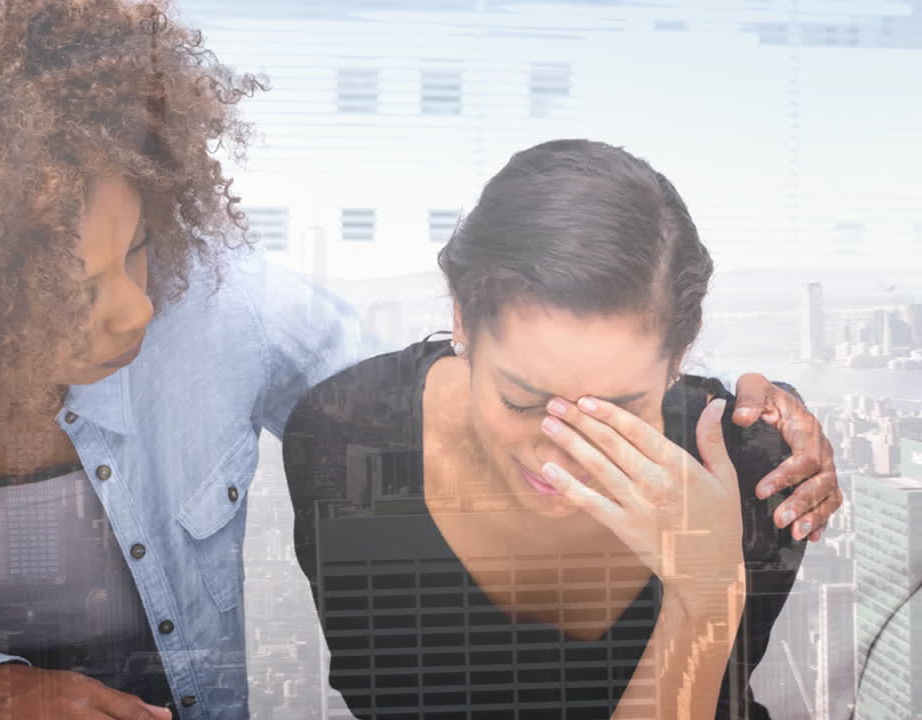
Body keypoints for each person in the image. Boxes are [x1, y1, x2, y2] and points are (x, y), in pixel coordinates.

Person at [0, 0, 839, 717]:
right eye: (78, 292)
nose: (136, 312)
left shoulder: (212, 307)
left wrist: (734, 418)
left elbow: (464, 375)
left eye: (136, 252)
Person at [282, 139, 826, 719]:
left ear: (679, 358)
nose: (561, 456)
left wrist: (707, 597)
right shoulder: (346, 435)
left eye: (615, 409)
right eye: (521, 398)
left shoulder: (755, 469)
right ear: (462, 320)